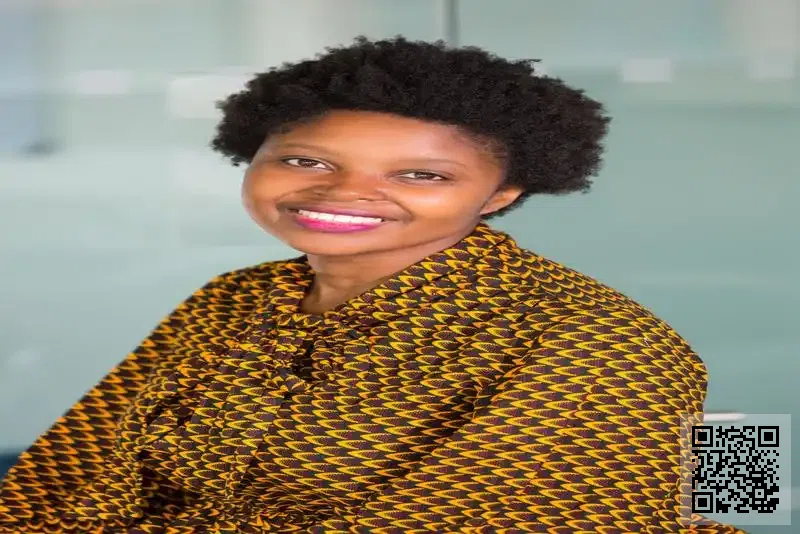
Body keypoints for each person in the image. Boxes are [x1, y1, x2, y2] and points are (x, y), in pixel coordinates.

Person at [0, 36, 745, 533]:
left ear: (501, 194)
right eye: (304, 161)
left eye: (421, 174)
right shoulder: (235, 298)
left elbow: (729, 496)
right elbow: (71, 468)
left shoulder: (594, 339)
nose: (342, 193)